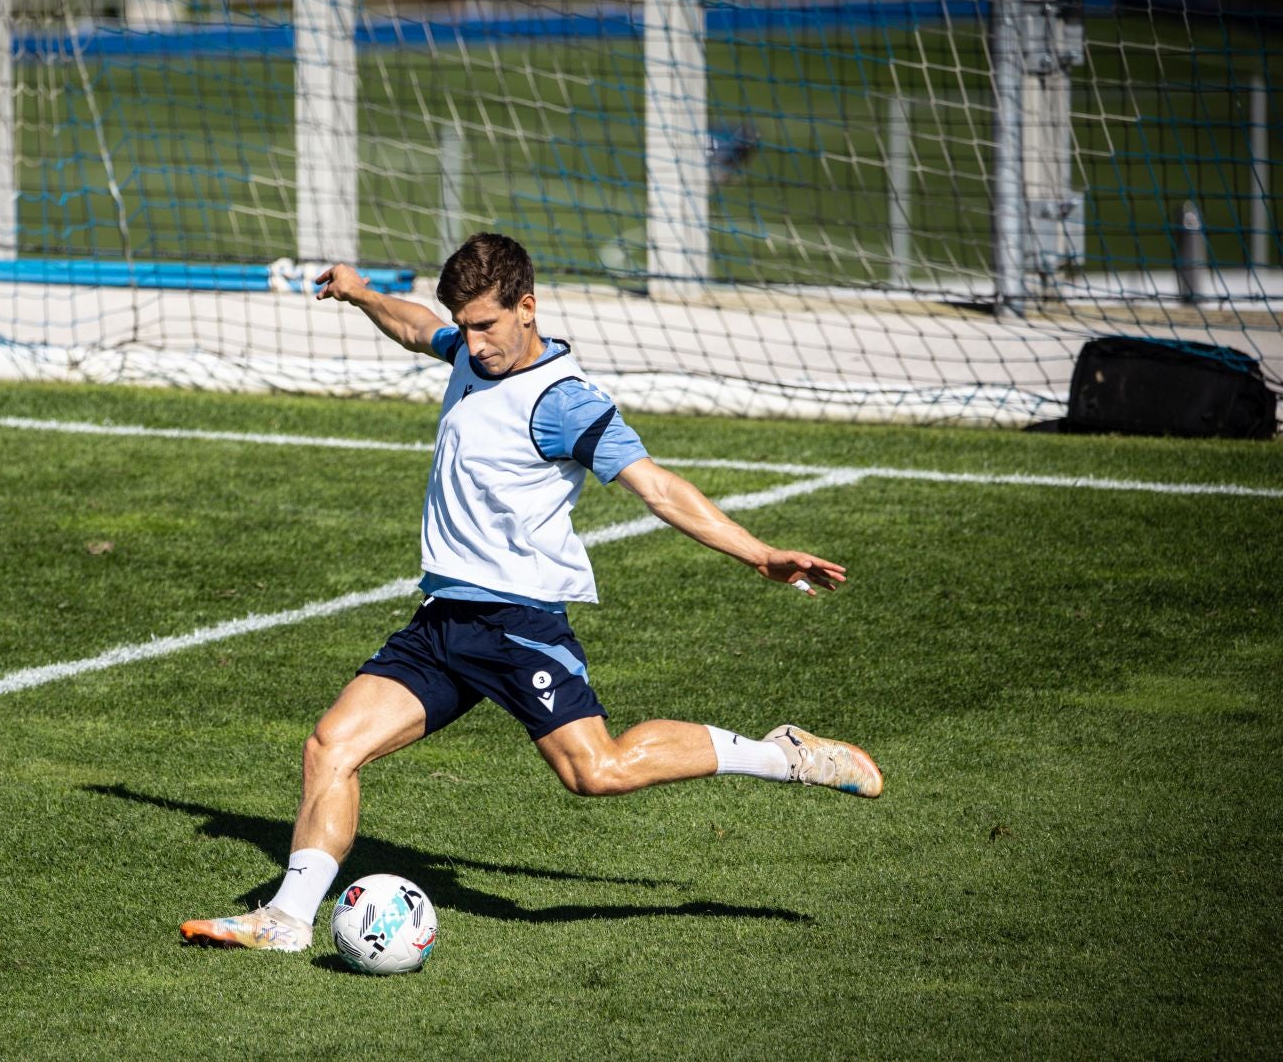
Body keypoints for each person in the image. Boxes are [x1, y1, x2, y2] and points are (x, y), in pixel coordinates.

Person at [180, 233, 880, 953]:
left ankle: (783, 753)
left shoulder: (563, 402)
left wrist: (759, 553)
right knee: (331, 746)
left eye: (486, 325)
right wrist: (359, 293)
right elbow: (419, 327)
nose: (474, 342)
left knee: (596, 772)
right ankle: (287, 921)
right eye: (468, 325)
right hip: (445, 618)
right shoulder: (468, 351)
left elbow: (657, 486)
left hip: (517, 622)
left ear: (527, 307)